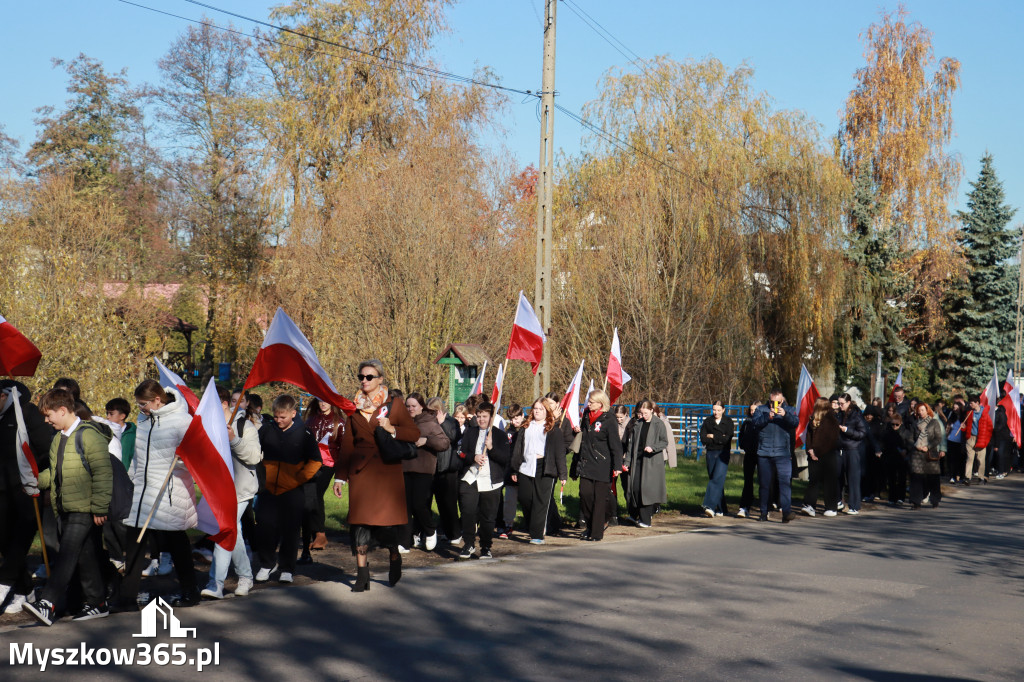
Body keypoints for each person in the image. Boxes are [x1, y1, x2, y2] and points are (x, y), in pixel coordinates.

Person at [23, 389, 112, 626]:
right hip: (65, 508)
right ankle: (97, 603)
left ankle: (47, 603)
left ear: (62, 410)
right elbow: (54, 474)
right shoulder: (58, 439)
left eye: (48, 415)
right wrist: (34, 481)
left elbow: (103, 473)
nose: (46, 420)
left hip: (84, 508)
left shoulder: (89, 436)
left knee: (67, 554)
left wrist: (100, 507)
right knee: (84, 556)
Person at [334, 360, 418, 592]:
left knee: (386, 526)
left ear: (380, 379)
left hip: (386, 472)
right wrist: (340, 477)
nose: (364, 380)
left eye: (369, 377)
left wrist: (392, 429)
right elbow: (347, 445)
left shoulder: (394, 405)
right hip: (361, 473)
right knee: (359, 523)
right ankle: (362, 575)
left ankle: (394, 555)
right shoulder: (353, 407)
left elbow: (414, 433)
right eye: (361, 376)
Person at [117, 379, 198, 611]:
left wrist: (181, 461)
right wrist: (131, 479)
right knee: (134, 543)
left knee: (177, 545)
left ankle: (190, 592)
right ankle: (127, 598)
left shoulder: (182, 421)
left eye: (143, 404)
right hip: (142, 491)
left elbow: (195, 458)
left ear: (157, 400)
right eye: (138, 404)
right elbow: (138, 455)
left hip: (169, 493)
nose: (140, 408)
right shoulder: (143, 419)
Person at [201, 386, 261, 600]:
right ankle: (246, 576)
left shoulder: (245, 426)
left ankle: (215, 583)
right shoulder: (208, 426)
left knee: (226, 529)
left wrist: (234, 439)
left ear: (224, 404)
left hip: (241, 489)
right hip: (218, 489)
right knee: (233, 532)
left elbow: (254, 457)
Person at [0, 381, 54, 615]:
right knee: (4, 539)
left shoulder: (27, 412)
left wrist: (38, 478)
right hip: (2, 489)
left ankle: (3, 584)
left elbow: (45, 447)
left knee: (20, 538)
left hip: (27, 488)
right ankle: (25, 590)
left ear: (4, 396)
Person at [254, 394, 320, 585]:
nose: (278, 420)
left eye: (282, 417)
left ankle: (287, 568)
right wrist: (261, 477)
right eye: (276, 416)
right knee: (265, 526)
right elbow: (254, 451)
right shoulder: (267, 429)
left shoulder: (305, 433)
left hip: (293, 490)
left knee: (291, 530)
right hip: (268, 489)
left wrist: (298, 478)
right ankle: (267, 564)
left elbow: (316, 461)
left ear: (293, 413)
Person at [455, 402, 509, 559]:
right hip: (471, 478)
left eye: (484, 416)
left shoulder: (500, 435)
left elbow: (505, 458)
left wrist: (491, 448)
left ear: (491, 417)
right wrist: (473, 457)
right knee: (468, 512)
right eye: (478, 416)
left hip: (491, 481)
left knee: (488, 517)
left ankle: (485, 547)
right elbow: (461, 453)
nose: (481, 420)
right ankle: (469, 544)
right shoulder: (470, 432)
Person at [510, 398, 566, 543]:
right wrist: (514, 470)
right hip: (526, 466)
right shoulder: (525, 427)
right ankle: (532, 526)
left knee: (541, 501)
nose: (537, 411)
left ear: (547, 411)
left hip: (545, 467)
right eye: (535, 408)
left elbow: (559, 453)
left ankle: (537, 535)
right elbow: (518, 449)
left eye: (541, 409)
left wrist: (563, 474)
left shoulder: (553, 429)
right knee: (525, 498)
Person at [571, 390, 623, 541]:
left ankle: (596, 532)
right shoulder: (586, 416)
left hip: (602, 464)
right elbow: (581, 441)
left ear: (600, 403)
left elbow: (615, 445)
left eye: (591, 402)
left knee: (599, 500)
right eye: (588, 401)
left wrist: (617, 466)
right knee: (585, 495)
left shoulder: (609, 419)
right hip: (586, 463)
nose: (588, 404)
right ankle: (590, 526)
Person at [400, 392, 449, 553]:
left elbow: (444, 443)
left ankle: (430, 529)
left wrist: (427, 440)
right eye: (408, 406)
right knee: (405, 506)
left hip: (423, 469)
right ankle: (405, 542)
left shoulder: (430, 423)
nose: (410, 409)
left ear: (421, 406)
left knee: (419, 504)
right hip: (404, 468)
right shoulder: (402, 422)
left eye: (413, 406)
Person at [300, 397, 344, 560]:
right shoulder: (310, 420)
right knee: (309, 496)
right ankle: (315, 533)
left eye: (326, 400)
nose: (324, 403)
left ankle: (320, 534)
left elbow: (344, 447)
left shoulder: (339, 423)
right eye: (320, 400)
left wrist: (340, 476)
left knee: (316, 493)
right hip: (311, 462)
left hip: (329, 462)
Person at [751, 389, 798, 523]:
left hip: (783, 453)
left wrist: (785, 415)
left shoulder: (790, 410)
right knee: (764, 484)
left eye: (778, 402)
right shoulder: (761, 410)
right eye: (772, 402)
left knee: (785, 483)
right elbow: (755, 423)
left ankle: (786, 512)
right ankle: (763, 512)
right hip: (764, 453)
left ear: (782, 400)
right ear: (769, 400)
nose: (775, 404)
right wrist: (768, 417)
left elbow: (795, 423)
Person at [624, 400, 668, 527]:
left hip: (651, 462)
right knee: (634, 488)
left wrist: (653, 448)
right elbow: (631, 445)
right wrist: (627, 461)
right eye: (641, 413)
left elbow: (664, 442)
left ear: (652, 411)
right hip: (637, 461)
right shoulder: (638, 424)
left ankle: (645, 520)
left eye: (646, 413)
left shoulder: (659, 424)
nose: (643, 416)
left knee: (646, 490)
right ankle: (635, 515)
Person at [427, 397, 462, 546]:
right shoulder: (428, 422)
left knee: (449, 503)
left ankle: (455, 533)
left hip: (448, 467)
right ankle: (445, 532)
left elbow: (454, 437)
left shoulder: (451, 422)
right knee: (439, 503)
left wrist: (442, 423)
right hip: (432, 466)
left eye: (433, 412)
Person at [800, 398, 841, 517]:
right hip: (814, 456)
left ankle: (831, 507)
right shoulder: (812, 419)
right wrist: (810, 450)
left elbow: (831, 440)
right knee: (813, 481)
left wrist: (816, 452)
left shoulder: (832, 420)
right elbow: (808, 437)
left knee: (829, 482)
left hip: (828, 455)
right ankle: (810, 505)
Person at [700, 401, 734, 517]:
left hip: (723, 453)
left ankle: (709, 505)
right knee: (715, 478)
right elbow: (703, 438)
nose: (716, 412)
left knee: (717, 478)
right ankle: (722, 508)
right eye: (714, 410)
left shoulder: (728, 422)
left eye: (718, 410)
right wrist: (719, 438)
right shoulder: (708, 421)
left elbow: (727, 439)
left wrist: (713, 436)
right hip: (710, 452)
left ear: (723, 410)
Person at [909, 403, 945, 509]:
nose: (921, 412)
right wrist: (915, 445)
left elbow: (938, 438)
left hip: (930, 454)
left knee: (933, 478)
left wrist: (928, 446)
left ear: (927, 410)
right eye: (919, 410)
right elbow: (910, 437)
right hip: (917, 454)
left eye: (923, 410)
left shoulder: (934, 422)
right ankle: (916, 502)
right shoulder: (915, 423)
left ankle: (935, 500)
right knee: (916, 478)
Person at [497, 403, 525, 538]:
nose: (514, 422)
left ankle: (534, 524)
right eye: (511, 419)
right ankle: (508, 524)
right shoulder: (508, 433)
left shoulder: (527, 430)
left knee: (527, 499)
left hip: (524, 469)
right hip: (509, 471)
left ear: (522, 415)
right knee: (510, 500)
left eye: (516, 418)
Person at [836, 394, 867, 515]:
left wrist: (847, 430)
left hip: (852, 449)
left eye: (842, 403)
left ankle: (854, 505)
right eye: (838, 403)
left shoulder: (856, 415)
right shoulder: (839, 415)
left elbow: (862, 433)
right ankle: (838, 501)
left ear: (848, 402)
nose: (840, 406)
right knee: (838, 476)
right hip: (840, 448)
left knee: (853, 478)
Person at [736, 402, 761, 518]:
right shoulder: (747, 422)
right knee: (748, 481)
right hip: (749, 454)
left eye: (755, 410)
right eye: (751, 410)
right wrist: (744, 446)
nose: (752, 412)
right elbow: (741, 436)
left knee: (764, 482)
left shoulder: (764, 422)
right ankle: (744, 506)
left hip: (762, 454)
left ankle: (766, 507)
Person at [881, 412, 912, 506]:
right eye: (892, 424)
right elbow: (884, 444)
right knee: (892, 479)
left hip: (902, 458)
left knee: (901, 478)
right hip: (891, 457)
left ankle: (901, 497)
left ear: (901, 423)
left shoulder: (906, 432)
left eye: (896, 424)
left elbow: (910, 443)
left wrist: (906, 450)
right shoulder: (887, 433)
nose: (894, 426)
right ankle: (892, 497)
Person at [962, 396, 992, 485]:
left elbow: (990, 428)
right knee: (969, 458)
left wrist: (986, 439)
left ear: (977, 403)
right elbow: (966, 426)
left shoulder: (985, 413)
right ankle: (967, 477)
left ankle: (981, 477)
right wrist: (963, 427)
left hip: (981, 438)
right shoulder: (969, 413)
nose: (970, 405)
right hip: (971, 438)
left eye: (972, 403)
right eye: (969, 403)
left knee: (980, 459)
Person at [105, 398, 136, 470]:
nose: (108, 417)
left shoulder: (134, 435)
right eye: (107, 413)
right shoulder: (105, 433)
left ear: (122, 416)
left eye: (111, 414)